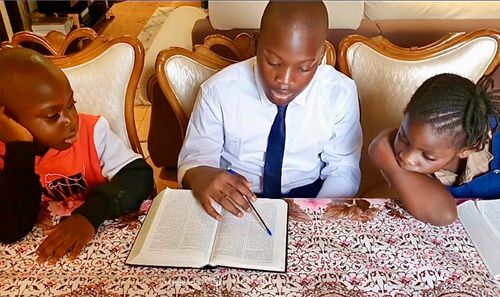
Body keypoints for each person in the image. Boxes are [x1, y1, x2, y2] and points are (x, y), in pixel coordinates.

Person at [178, 1, 362, 221]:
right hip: (236, 200)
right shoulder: (218, 91)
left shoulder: (339, 93)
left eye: (304, 68)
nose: (284, 81)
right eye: (273, 62)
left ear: (320, 56)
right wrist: (199, 174)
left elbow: (343, 168)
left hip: (311, 197)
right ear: (257, 44)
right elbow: (196, 160)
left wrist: (317, 214)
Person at [0, 48, 154, 264]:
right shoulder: (7, 155)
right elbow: (10, 228)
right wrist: (20, 147)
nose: (71, 120)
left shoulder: (92, 132)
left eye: (71, 105)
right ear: (6, 119)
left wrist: (89, 216)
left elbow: (139, 176)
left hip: (98, 248)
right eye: (53, 116)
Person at [369, 73, 500, 226]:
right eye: (403, 138)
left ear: (467, 149)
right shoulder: (394, 150)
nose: (406, 157)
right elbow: (443, 215)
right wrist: (385, 155)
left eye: (428, 156)